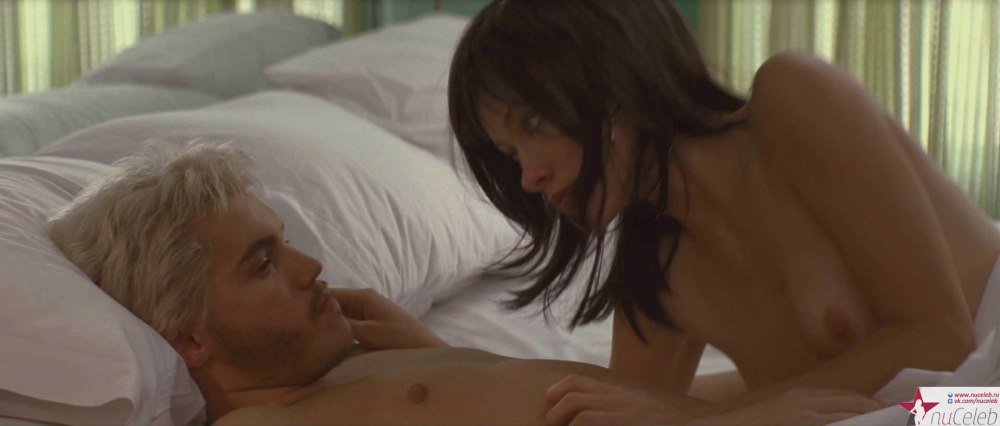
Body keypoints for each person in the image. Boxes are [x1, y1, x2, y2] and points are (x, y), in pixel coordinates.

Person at [48, 142, 881, 425]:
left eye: (288, 245)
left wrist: (435, 355)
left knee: (942, 399)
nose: (312, 269)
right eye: (263, 264)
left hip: (792, 411)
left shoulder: (347, 376)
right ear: (188, 337)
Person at [447, 0, 1000, 424]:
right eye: (510, 154)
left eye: (533, 125)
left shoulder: (793, 99)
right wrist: (436, 360)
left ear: (609, 77)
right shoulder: (655, 276)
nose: (528, 177)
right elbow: (611, 410)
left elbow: (943, 342)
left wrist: (717, 418)